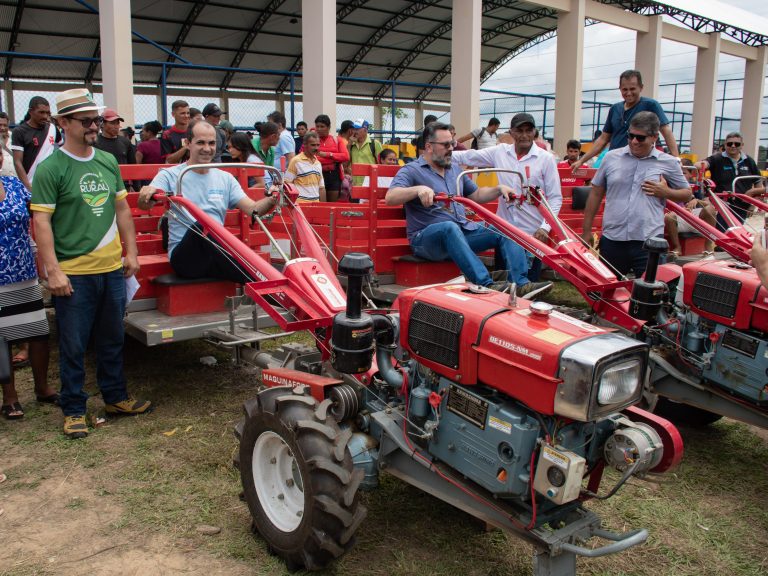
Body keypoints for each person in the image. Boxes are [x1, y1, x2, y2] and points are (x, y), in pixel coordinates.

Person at [31, 88, 151, 439]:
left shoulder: (106, 161)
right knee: (73, 344)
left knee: (112, 337)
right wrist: (53, 270)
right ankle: (73, 408)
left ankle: (115, 398)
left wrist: (131, 252)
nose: (94, 126)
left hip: (111, 269)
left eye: (96, 119)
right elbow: (42, 223)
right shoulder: (51, 169)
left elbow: (122, 208)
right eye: (86, 121)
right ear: (63, 123)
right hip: (75, 274)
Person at [386, 122, 551, 297]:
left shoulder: (454, 170)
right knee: (449, 227)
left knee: (506, 227)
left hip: (461, 233)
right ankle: (485, 284)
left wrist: (499, 189)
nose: (451, 149)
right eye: (446, 145)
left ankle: (521, 284)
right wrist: (417, 189)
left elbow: (477, 195)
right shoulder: (412, 170)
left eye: (452, 144)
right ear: (429, 147)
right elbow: (391, 197)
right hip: (427, 242)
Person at [137, 119, 277, 283]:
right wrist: (147, 192)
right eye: (200, 143)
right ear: (188, 143)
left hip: (215, 254)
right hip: (186, 259)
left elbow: (254, 209)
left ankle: (274, 289)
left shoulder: (225, 178)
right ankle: (263, 280)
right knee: (204, 224)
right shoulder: (171, 175)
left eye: (211, 143)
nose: (207, 148)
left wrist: (273, 198)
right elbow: (144, 203)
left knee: (211, 230)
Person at [452, 113, 562, 282]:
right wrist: (436, 154)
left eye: (528, 130)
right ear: (511, 132)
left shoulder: (545, 159)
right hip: (505, 233)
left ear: (534, 132)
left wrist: (545, 227)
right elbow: (467, 156)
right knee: (503, 286)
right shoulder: (500, 152)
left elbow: (555, 198)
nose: (524, 135)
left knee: (527, 287)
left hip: (532, 235)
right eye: (519, 130)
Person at [581, 111, 691, 278]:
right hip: (613, 239)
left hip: (648, 241)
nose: (634, 141)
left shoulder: (668, 162)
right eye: (630, 136)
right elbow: (596, 193)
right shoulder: (611, 158)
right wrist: (586, 229)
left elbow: (687, 194)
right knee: (606, 294)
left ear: (654, 137)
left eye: (640, 138)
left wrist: (666, 192)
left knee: (649, 295)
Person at [0, 147, 58, 420]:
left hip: (24, 273)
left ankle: (42, 388)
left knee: (37, 332)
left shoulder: (13, 185)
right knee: (1, 340)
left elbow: (39, 213)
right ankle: (10, 397)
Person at [572, 70, 679, 171]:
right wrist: (582, 160)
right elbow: (603, 139)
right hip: (616, 163)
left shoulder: (650, 105)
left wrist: (676, 159)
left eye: (632, 89)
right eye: (624, 89)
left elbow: (666, 130)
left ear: (641, 88)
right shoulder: (615, 109)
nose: (628, 93)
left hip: (640, 163)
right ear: (620, 89)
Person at [697, 131, 764, 227]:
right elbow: (705, 163)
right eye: (729, 144)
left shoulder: (749, 161)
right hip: (721, 205)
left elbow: (757, 182)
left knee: (737, 232)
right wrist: (700, 165)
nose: (733, 146)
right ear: (725, 145)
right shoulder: (717, 158)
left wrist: (753, 204)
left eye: (736, 144)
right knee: (722, 232)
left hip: (742, 206)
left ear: (742, 145)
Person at [663, 158, 717, 259]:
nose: (681, 175)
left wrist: (696, 201)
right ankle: (677, 247)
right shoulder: (666, 185)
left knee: (710, 209)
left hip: (691, 217)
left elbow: (708, 204)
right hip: (674, 218)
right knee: (670, 216)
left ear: (690, 174)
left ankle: (708, 246)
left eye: (683, 173)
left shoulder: (695, 186)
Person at [11, 96, 63, 192]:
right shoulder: (19, 131)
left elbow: (64, 149)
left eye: (48, 113)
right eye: (41, 112)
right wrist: (28, 188)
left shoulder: (52, 128)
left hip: (52, 184)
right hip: (31, 185)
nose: (45, 116)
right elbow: (17, 162)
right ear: (31, 112)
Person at [314, 114, 350, 202]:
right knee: (320, 205)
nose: (319, 129)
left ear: (329, 127)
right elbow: (310, 158)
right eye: (317, 126)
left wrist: (327, 155)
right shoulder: (312, 141)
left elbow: (345, 156)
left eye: (322, 126)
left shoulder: (337, 140)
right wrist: (335, 158)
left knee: (332, 205)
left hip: (333, 176)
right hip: (316, 174)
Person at [284, 132, 325, 202]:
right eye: (313, 145)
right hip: (300, 204)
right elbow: (287, 184)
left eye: (318, 145)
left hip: (316, 204)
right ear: (305, 145)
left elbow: (321, 188)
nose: (316, 148)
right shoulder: (296, 161)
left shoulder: (318, 163)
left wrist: (324, 207)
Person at [349, 119, 383, 186]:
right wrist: (349, 144)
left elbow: (381, 164)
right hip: (354, 184)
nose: (354, 131)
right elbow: (346, 163)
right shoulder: (351, 145)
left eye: (357, 129)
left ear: (365, 130)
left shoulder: (375, 144)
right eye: (354, 129)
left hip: (370, 183)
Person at [251, 121, 280, 188]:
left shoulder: (271, 150)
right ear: (273, 136)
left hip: (262, 182)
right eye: (279, 135)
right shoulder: (253, 147)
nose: (279, 138)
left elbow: (270, 172)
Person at [0, 112, 16, 177]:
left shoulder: (15, 138)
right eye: (0, 125)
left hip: (17, 180)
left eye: (5, 125)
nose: (2, 128)